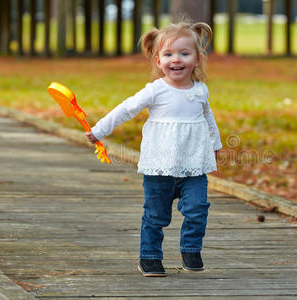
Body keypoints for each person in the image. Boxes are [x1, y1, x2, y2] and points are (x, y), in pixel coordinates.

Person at [85, 21, 222, 277]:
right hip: (160, 166)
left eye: (184, 53)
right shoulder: (156, 90)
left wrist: (215, 144)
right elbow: (126, 109)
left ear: (197, 59)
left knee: (198, 208)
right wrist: (99, 130)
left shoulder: (200, 90)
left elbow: (207, 118)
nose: (176, 60)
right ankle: (149, 257)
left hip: (193, 165)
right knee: (156, 216)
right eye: (168, 54)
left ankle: (191, 250)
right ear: (158, 61)